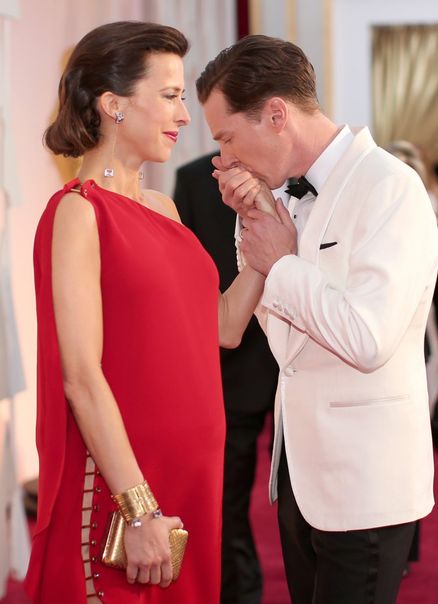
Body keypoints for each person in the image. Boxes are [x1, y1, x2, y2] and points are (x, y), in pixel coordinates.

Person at [24, 22, 272, 604]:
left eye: (181, 97)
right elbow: (81, 378)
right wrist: (138, 507)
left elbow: (222, 328)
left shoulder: (163, 207)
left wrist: (264, 252)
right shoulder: (77, 214)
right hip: (125, 485)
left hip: (191, 475)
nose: (185, 116)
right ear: (113, 104)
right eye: (170, 96)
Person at [196, 35, 438, 604]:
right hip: (298, 476)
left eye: (228, 137)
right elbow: (282, 339)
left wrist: (280, 262)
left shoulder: (391, 188)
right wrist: (254, 221)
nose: (224, 159)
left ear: (277, 114)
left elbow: (366, 338)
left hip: (366, 480)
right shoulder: (281, 196)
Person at [173, 152, 279, 604]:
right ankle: (241, 592)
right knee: (229, 502)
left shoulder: (291, 172)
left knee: (304, 507)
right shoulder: (193, 179)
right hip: (232, 371)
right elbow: (188, 278)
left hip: (310, 368)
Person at [386, 140, 438, 573]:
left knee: (409, 450)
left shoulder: (434, 233)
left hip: (418, 356)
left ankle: (405, 545)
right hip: (370, 354)